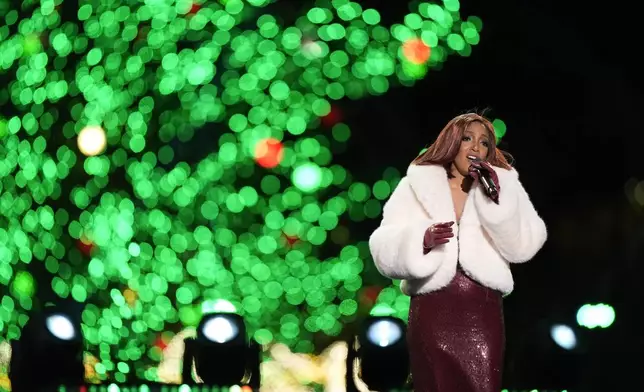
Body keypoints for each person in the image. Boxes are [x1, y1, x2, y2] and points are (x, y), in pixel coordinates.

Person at [368, 113, 547, 392]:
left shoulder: (503, 185)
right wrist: (421, 240)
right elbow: (382, 245)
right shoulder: (417, 184)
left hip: (482, 310)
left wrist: (497, 201)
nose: (476, 148)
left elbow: (525, 245)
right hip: (432, 309)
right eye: (467, 138)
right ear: (452, 142)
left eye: (484, 142)